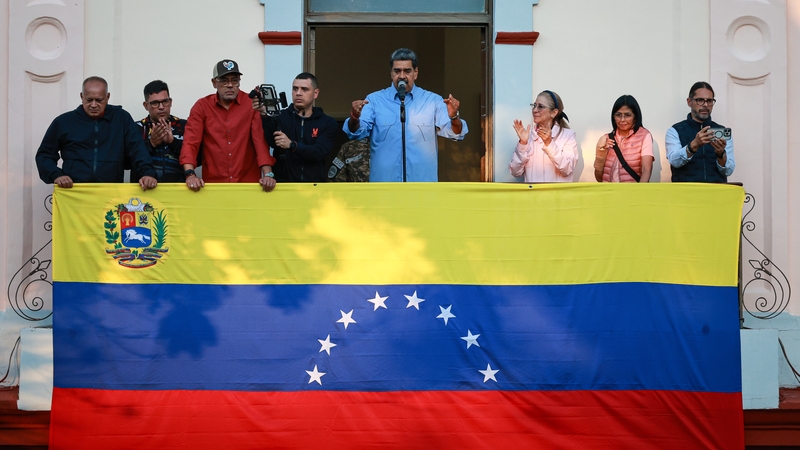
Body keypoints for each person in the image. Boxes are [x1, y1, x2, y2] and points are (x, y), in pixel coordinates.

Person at [344, 48, 468, 182]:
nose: (402, 76)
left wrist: (454, 117)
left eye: (407, 71)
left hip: (422, 187)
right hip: (384, 187)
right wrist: (355, 117)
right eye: (397, 71)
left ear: (416, 72)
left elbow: (456, 133)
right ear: (391, 73)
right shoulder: (374, 100)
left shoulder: (432, 101)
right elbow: (356, 132)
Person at [35, 76, 158, 191]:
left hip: (111, 192)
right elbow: (45, 155)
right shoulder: (64, 122)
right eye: (89, 100)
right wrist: (56, 175)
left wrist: (147, 173)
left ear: (108, 97)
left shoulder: (121, 118)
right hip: (74, 192)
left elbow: (137, 150)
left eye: (99, 100)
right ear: (81, 96)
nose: (93, 105)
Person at [180, 59, 276, 192]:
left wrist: (268, 175)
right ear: (214, 83)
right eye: (224, 81)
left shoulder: (251, 104)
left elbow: (260, 142)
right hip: (213, 185)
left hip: (247, 184)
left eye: (235, 80)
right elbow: (191, 142)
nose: (230, 85)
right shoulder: (202, 106)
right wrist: (190, 174)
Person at [252, 72, 338, 182]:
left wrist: (292, 145)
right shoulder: (280, 117)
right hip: (283, 187)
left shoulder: (327, 122)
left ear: (315, 93)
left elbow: (319, 152)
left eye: (304, 89)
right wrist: (264, 114)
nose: (298, 93)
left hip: (314, 187)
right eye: (295, 89)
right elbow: (271, 142)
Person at [665, 81, 735, 182]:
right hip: (685, 193)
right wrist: (693, 145)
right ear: (689, 102)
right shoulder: (675, 131)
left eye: (709, 101)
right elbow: (674, 162)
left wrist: (720, 154)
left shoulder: (722, 132)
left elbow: (728, 171)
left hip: (716, 193)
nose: (705, 105)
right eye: (700, 100)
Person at [509, 90, 578, 182]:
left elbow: (567, 168)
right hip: (533, 196)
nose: (535, 110)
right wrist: (523, 144)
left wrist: (549, 143)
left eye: (540, 106)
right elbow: (515, 172)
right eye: (534, 105)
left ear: (554, 112)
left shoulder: (568, 136)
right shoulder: (527, 136)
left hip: (557, 196)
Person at [133, 80, 188, 183]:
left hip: (178, 192)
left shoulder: (184, 126)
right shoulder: (136, 128)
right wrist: (151, 143)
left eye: (165, 101)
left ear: (170, 102)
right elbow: (128, 161)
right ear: (146, 105)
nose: (161, 107)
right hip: (144, 191)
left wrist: (173, 142)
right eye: (155, 103)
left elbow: (197, 159)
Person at [593, 95, 654, 182]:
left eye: (627, 115)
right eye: (618, 115)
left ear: (635, 117)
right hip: (609, 193)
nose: (622, 119)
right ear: (613, 117)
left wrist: (640, 192)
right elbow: (599, 178)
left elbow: (646, 170)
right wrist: (600, 153)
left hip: (631, 193)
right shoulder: (607, 139)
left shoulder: (644, 136)